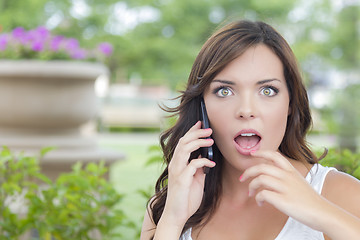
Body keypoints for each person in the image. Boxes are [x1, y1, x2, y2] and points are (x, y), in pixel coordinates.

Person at [140, 20, 360, 240]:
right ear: (202, 106)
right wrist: (173, 220)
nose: (246, 110)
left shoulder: (341, 195)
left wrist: (319, 210)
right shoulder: (167, 206)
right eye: (224, 91)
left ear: (291, 103)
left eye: (267, 90)